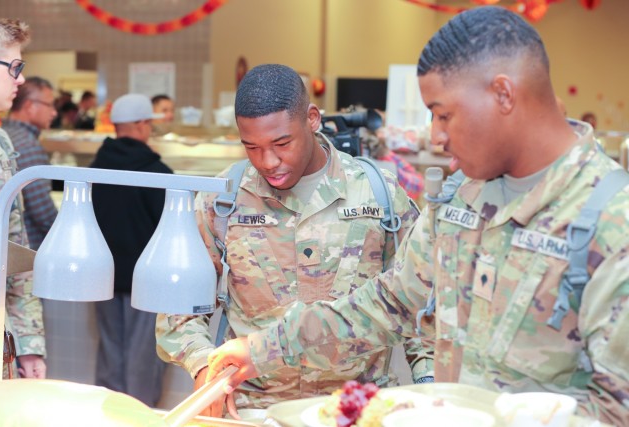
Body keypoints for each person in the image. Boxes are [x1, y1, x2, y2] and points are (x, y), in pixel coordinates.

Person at [206, 7, 629, 425]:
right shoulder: (461, 200)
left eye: (443, 114)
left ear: (503, 94)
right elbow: (389, 304)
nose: (436, 135)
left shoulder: (610, 219)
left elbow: (617, 408)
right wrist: (261, 349)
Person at [156, 64, 424, 418]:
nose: (268, 161)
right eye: (252, 147)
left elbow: (420, 307)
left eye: (282, 143)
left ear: (311, 118)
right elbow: (177, 309)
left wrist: (429, 384)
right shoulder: (223, 200)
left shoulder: (379, 195)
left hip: (353, 410)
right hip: (254, 412)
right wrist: (204, 365)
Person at [90, 93, 171, 406]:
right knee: (143, 357)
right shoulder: (156, 170)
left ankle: (107, 415)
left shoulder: (97, 165)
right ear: (141, 124)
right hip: (145, 279)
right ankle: (140, 416)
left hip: (105, 277)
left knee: (111, 350)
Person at [0, 13, 46, 379]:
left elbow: (15, 252)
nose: (20, 79)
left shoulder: (1, 143)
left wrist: (28, 345)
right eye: (14, 66)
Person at [2, 76, 58, 250]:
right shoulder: (28, 145)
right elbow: (42, 212)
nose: (54, 112)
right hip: (30, 246)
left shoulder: (2, 134)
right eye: (49, 105)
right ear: (28, 106)